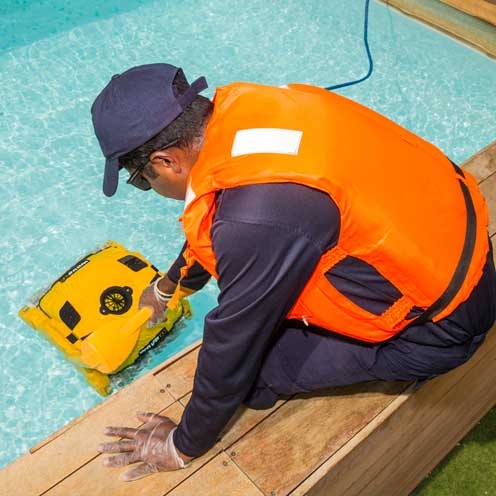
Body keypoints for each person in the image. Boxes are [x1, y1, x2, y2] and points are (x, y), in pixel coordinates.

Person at [91, 63, 496, 481]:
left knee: (254, 375)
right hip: (461, 241)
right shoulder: (259, 109)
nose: (147, 187)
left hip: (443, 328)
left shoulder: (253, 219)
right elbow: (210, 222)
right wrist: (166, 288)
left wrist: (182, 443)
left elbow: (234, 342)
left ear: (167, 160)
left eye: (141, 180)